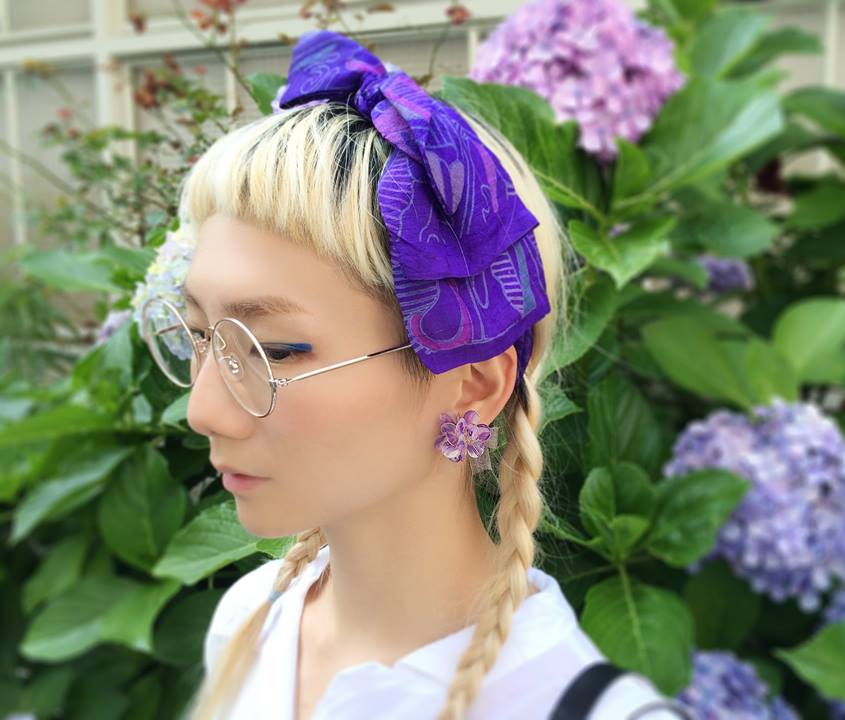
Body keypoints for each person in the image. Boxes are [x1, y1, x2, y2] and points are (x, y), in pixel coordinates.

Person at [153, 29, 687, 720]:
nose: (204, 410)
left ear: (474, 385)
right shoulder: (251, 622)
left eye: (276, 350)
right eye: (201, 336)